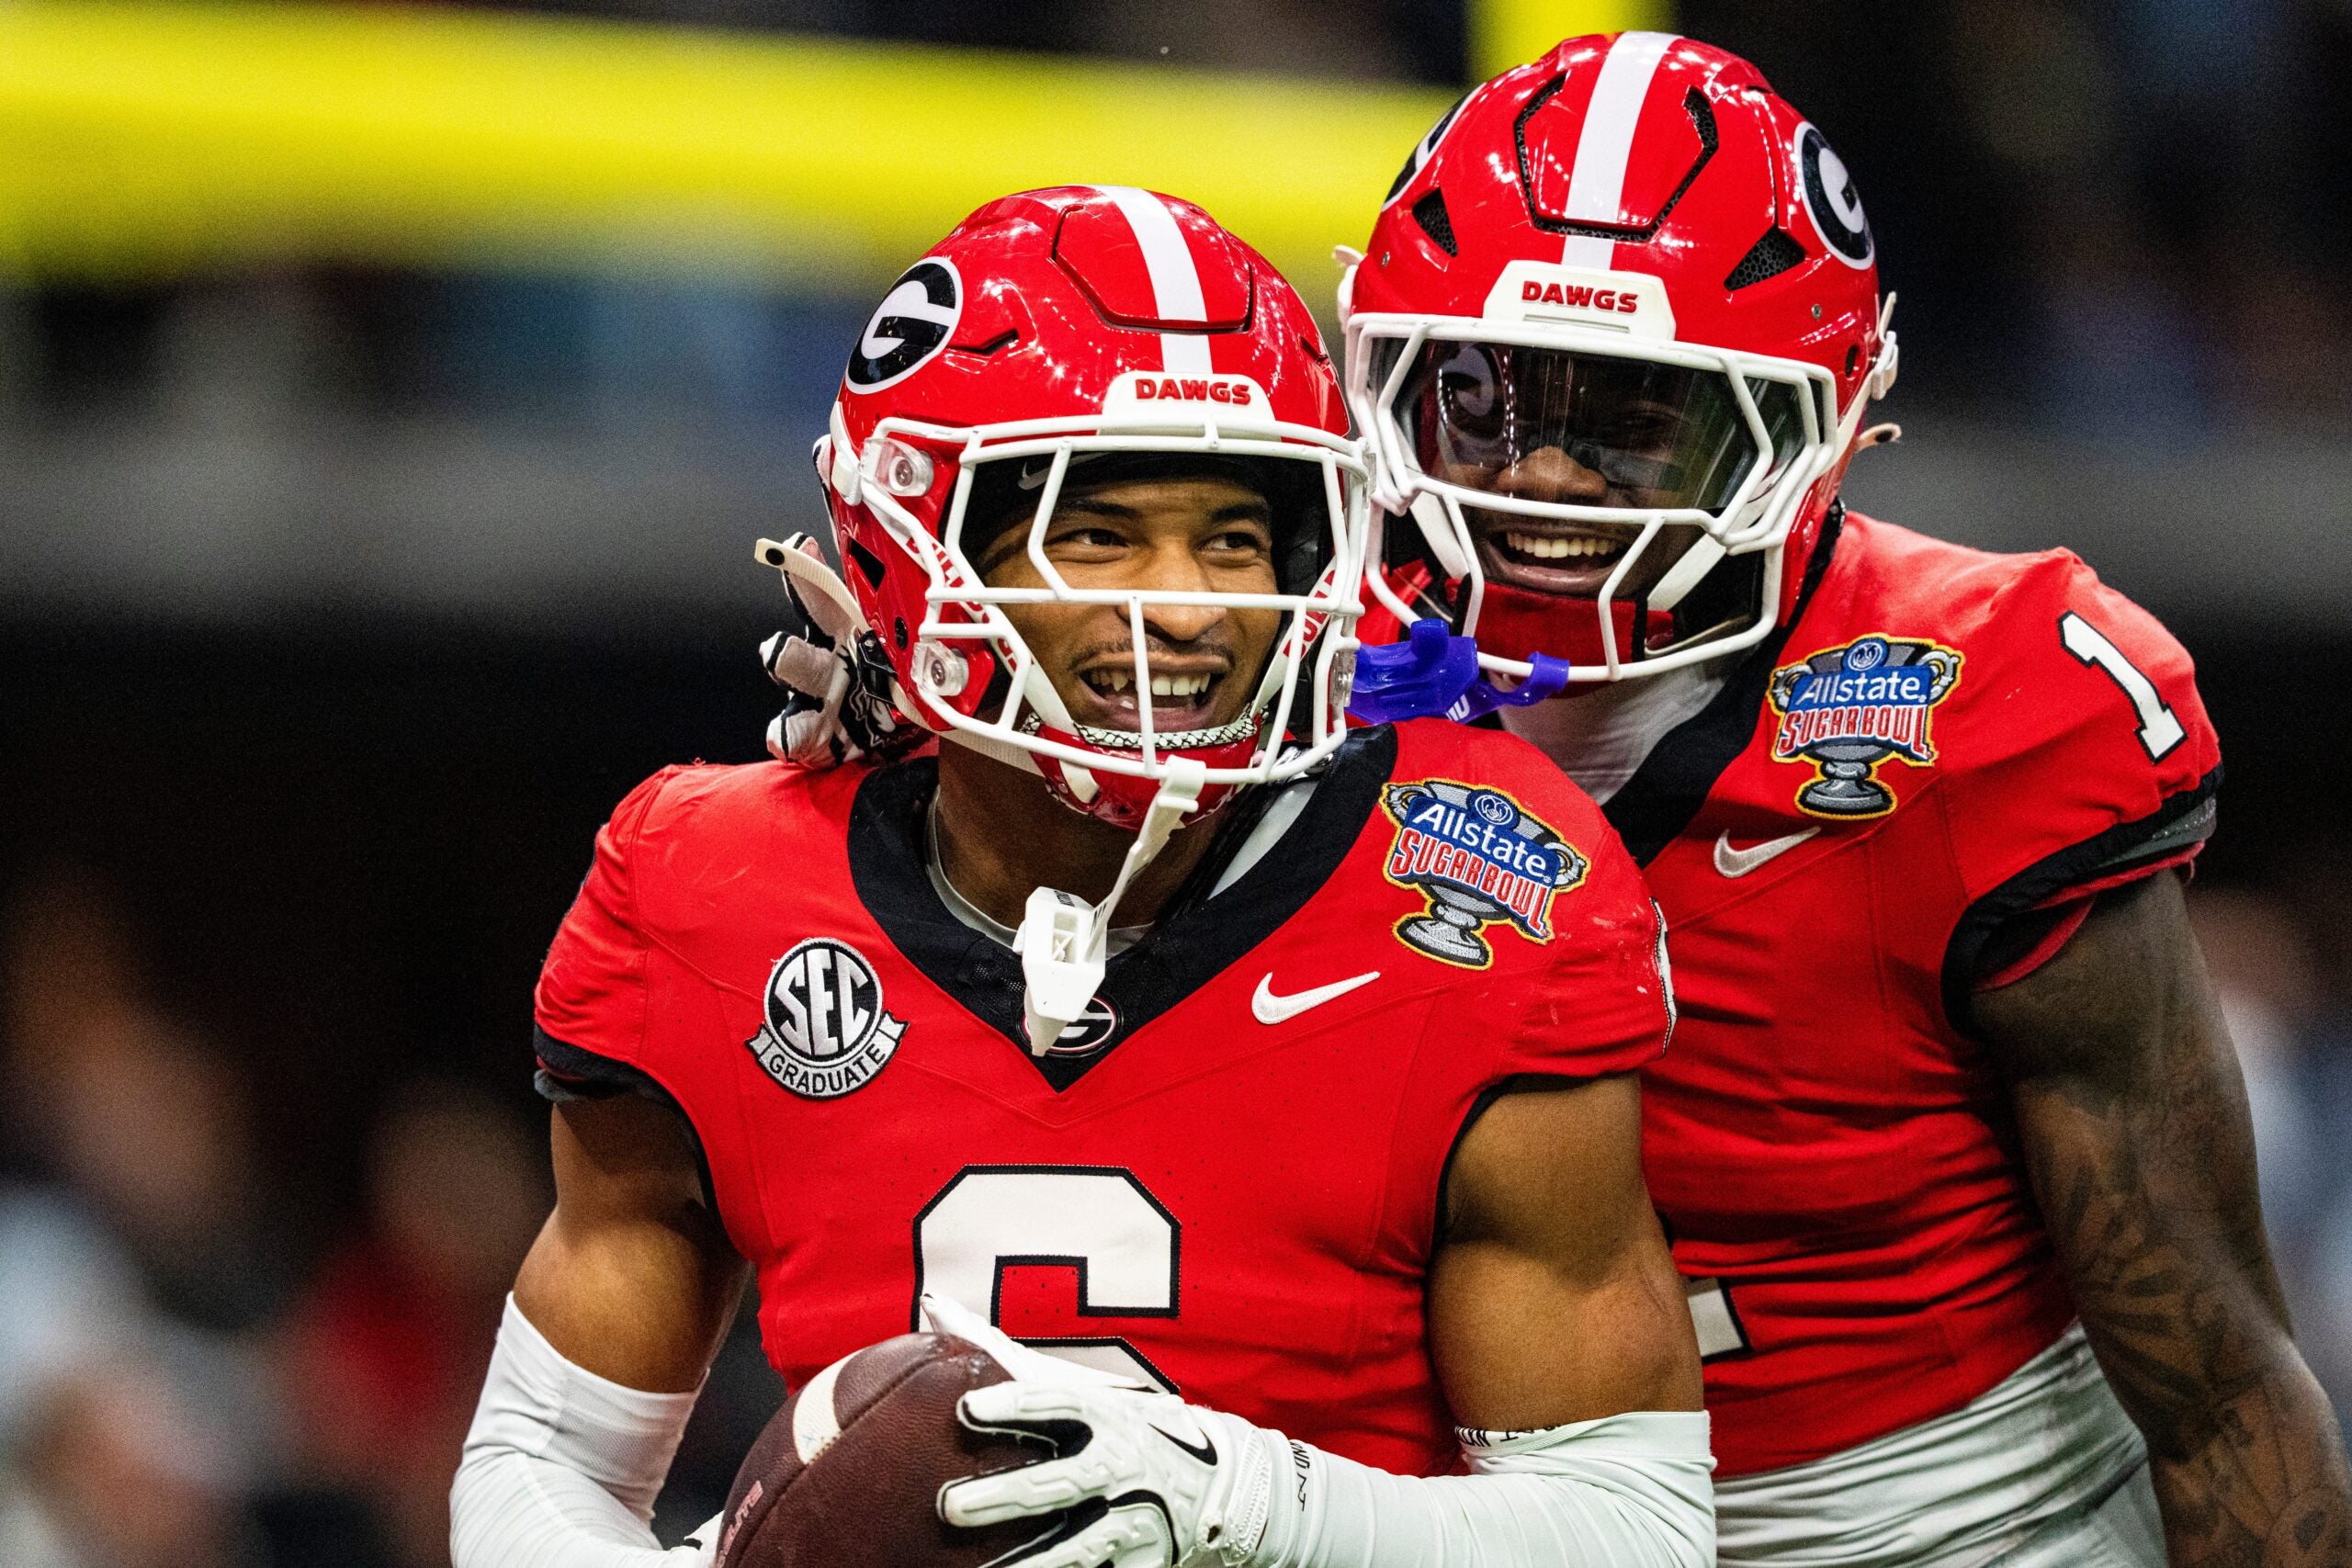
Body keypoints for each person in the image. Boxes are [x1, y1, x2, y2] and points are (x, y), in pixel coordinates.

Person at [448, 186, 1711, 1568]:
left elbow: (1632, 1531)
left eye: (1234, 537)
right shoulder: (708, 887)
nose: (1185, 605)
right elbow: (537, 1461)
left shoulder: (1473, 893)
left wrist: (1247, 1508)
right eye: (1094, 533)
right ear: (911, 549)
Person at [1341, 31, 2352, 1568]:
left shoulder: (1981, 714)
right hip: (1455, 1512)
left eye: (1629, 415)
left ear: (1817, 424)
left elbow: (2216, 1385)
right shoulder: (1267, 666)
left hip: (1948, 1518)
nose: (1539, 476)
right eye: (1481, 396)